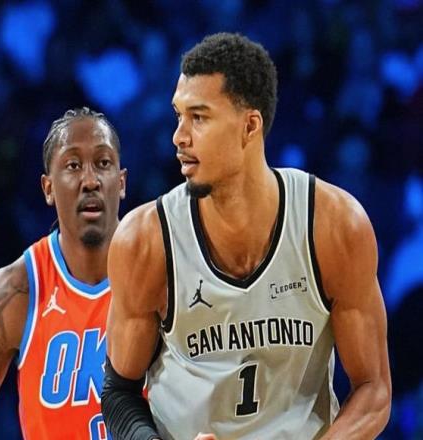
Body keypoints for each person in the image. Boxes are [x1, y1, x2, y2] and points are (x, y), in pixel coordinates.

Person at [102, 33, 391, 440]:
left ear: (250, 126)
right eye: (178, 115)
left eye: (199, 117)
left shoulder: (334, 226)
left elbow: (373, 390)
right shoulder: (145, 240)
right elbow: (119, 393)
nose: (178, 136)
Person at [0, 107, 127, 440]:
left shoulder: (161, 272)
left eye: (103, 163)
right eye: (73, 165)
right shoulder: (16, 290)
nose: (90, 181)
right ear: (48, 188)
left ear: (121, 182)